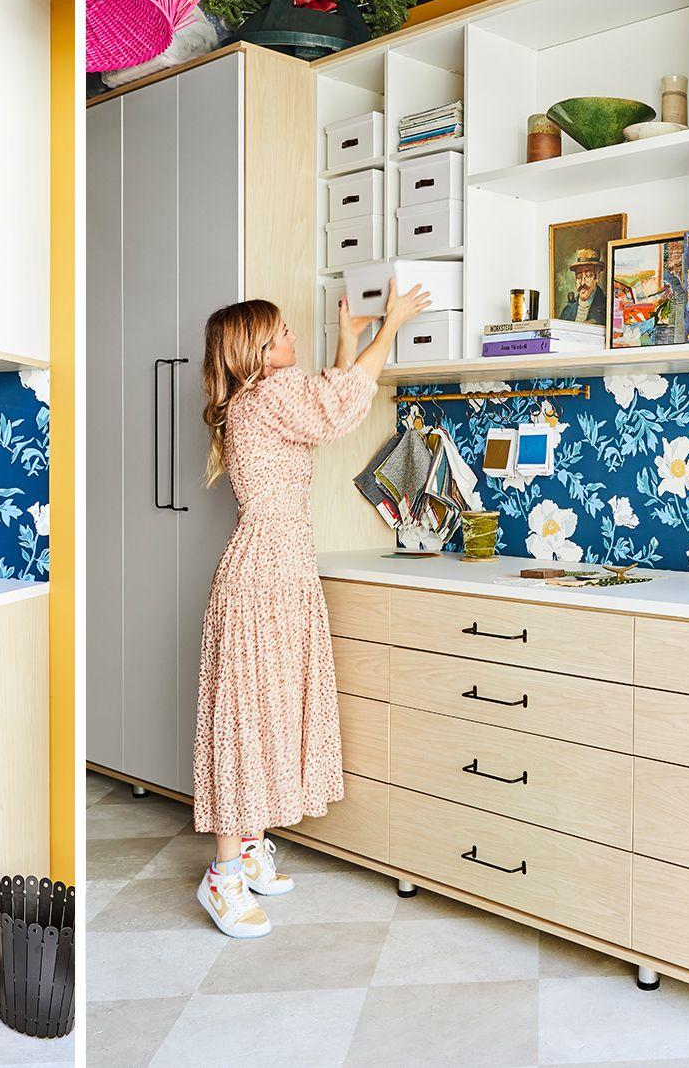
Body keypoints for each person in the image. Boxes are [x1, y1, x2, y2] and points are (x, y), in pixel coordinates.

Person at [193, 281, 430, 939]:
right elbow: (343, 401)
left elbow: (328, 391)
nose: (294, 340)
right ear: (259, 351)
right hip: (265, 573)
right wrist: (394, 325)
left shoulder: (259, 399)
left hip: (277, 569)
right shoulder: (268, 397)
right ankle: (224, 875)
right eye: (285, 334)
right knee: (249, 718)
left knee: (267, 710)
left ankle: (246, 847)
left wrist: (349, 337)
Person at [558, 249, 606, 325]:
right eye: (579, 276)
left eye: (588, 276)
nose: (582, 283)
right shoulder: (568, 310)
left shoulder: (605, 308)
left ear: (597, 277)